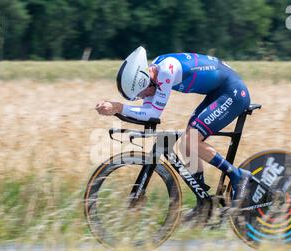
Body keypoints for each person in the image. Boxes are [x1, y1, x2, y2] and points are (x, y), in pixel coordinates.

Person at [95, 46, 252, 217]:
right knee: (186, 146)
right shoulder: (152, 76)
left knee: (191, 140)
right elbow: (147, 115)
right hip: (218, 91)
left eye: (141, 93)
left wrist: (118, 107)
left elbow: (152, 114)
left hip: (233, 92)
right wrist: (116, 110)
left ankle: (238, 176)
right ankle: (204, 204)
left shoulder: (166, 71)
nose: (143, 97)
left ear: (145, 80)